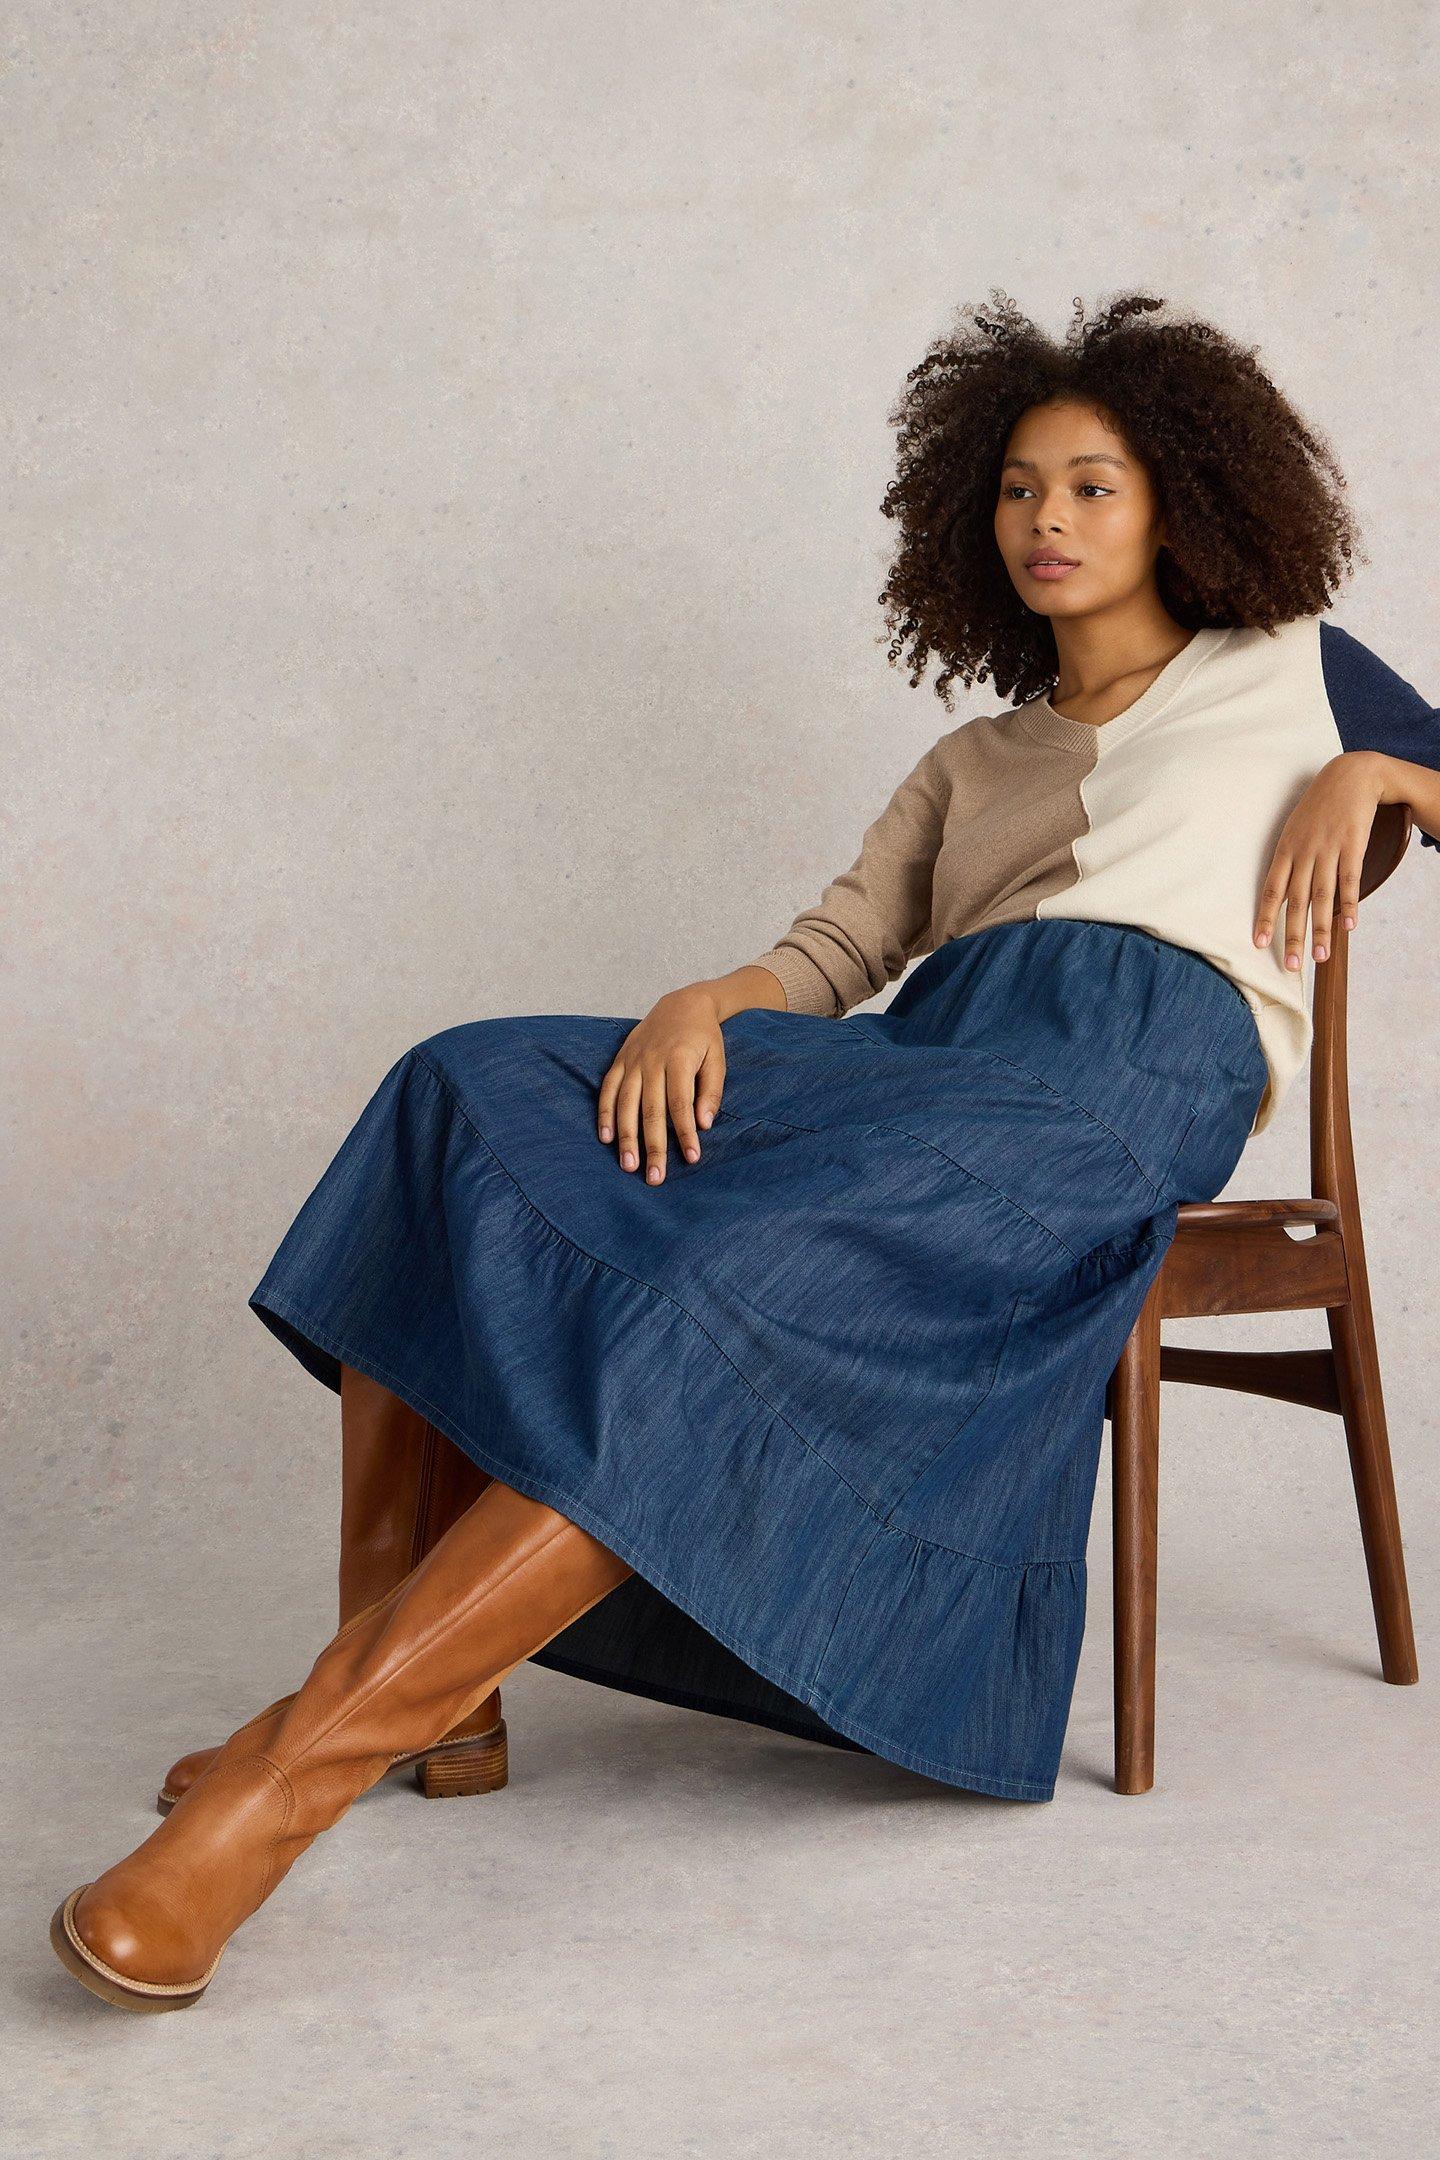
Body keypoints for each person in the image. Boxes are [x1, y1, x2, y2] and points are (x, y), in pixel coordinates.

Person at [51, 288, 1440, 2011]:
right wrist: (705, 1002)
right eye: (1019, 487)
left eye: (1094, 485)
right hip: (930, 1064)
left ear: (1180, 503)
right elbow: (838, 952)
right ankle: (427, 1693)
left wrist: (1381, 775)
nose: (1050, 520)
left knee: (726, 1284)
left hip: (1113, 1092)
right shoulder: (972, 760)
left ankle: (287, 1781)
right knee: (460, 1087)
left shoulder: (1296, 668)